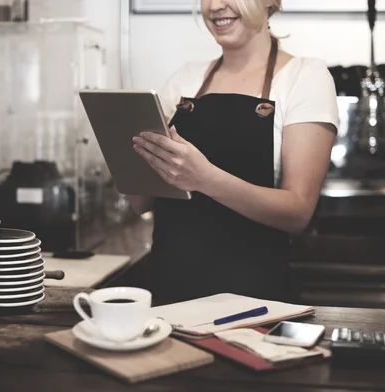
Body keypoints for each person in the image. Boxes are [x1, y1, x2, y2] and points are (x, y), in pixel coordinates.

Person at [128, 0, 338, 304]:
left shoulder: (305, 77)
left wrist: (204, 178)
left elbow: (297, 212)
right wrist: (131, 151)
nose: (215, 6)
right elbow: (140, 204)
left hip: (253, 301)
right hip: (168, 294)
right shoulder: (184, 78)